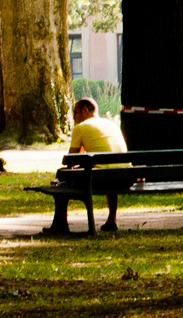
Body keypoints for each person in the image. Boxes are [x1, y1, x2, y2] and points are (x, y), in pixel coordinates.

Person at [51, 98, 127, 233]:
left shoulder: (81, 127)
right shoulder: (112, 125)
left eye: (75, 112)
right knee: (109, 172)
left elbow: (71, 160)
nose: (74, 117)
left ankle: (61, 223)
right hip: (124, 178)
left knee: (62, 180)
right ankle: (111, 219)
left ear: (85, 111)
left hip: (99, 180)